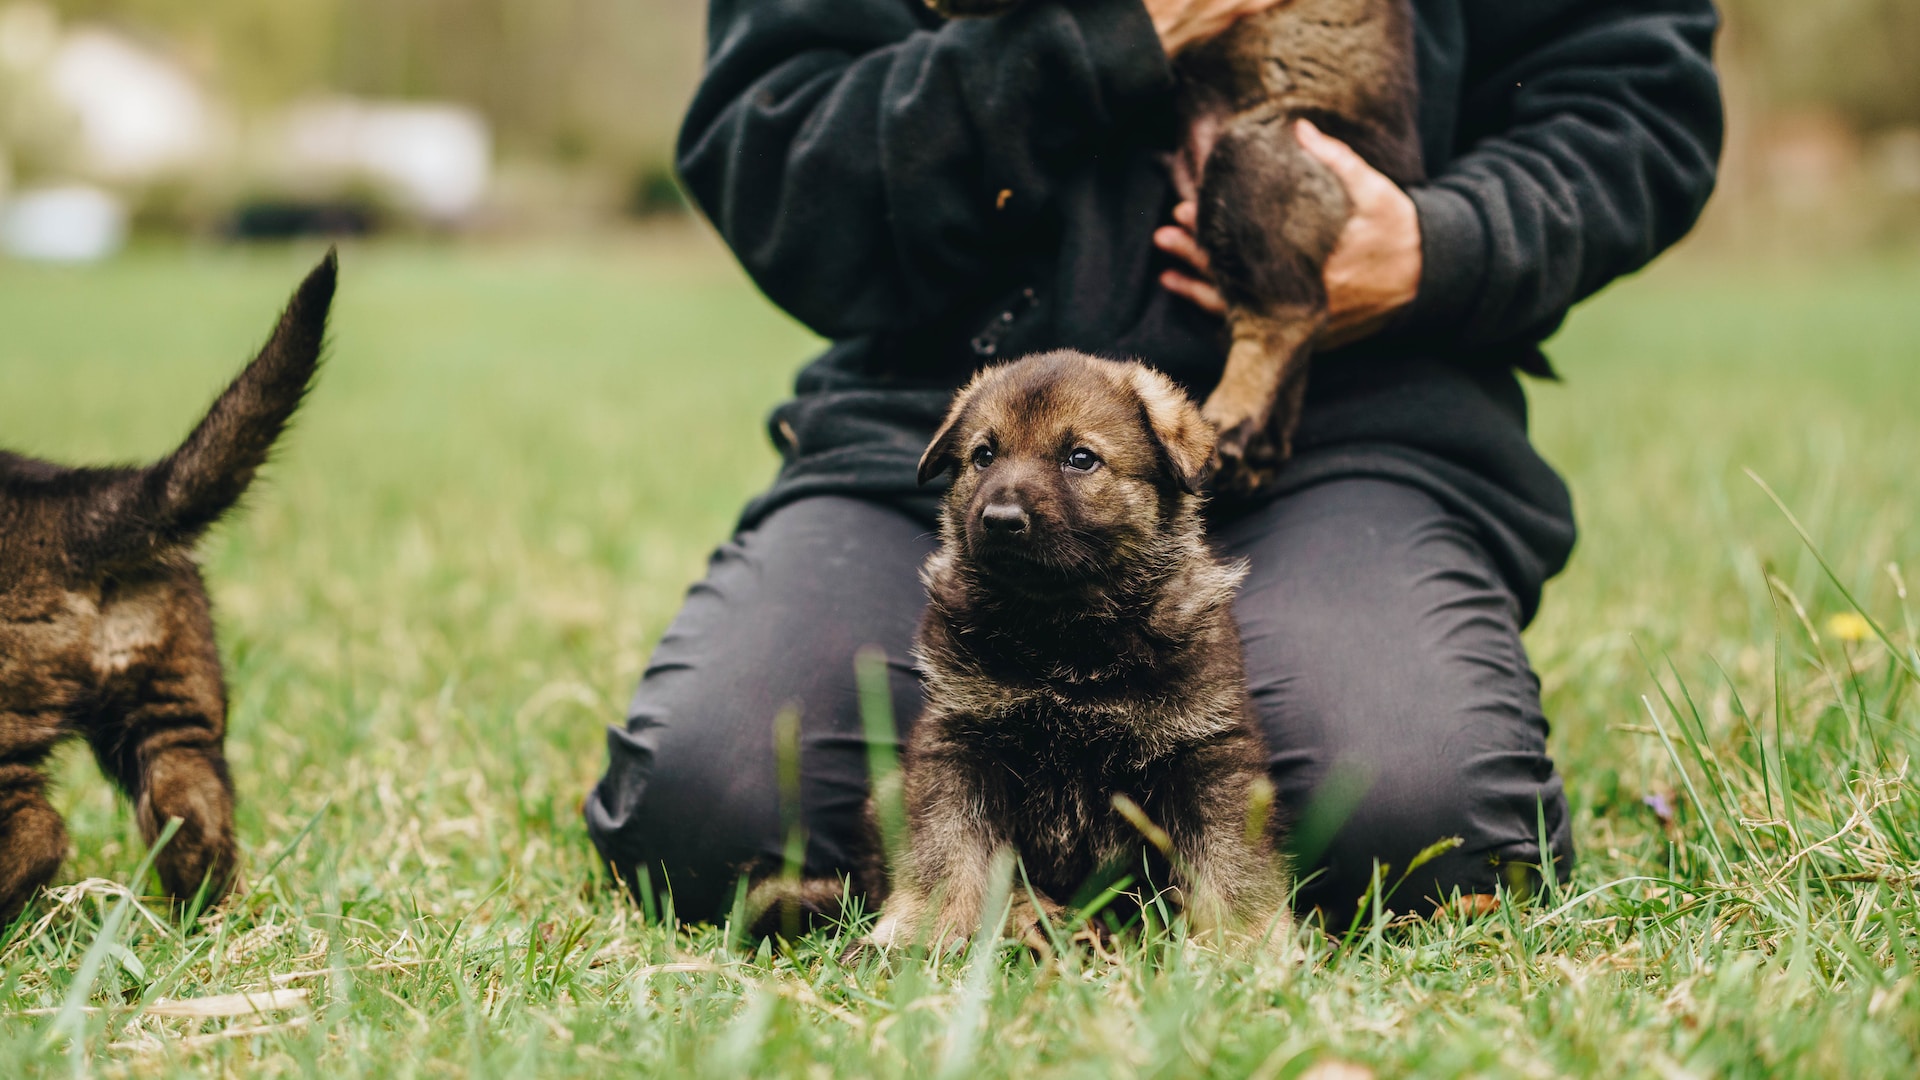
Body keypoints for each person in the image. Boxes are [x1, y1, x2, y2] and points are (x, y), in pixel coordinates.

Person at [585, 0, 1723, 924]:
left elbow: (1631, 95)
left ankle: (1071, 856)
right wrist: (1106, 37)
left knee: (1422, 827)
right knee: (708, 807)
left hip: (1353, 420)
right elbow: (780, 158)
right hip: (943, 438)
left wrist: (1441, 245)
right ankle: (987, 874)